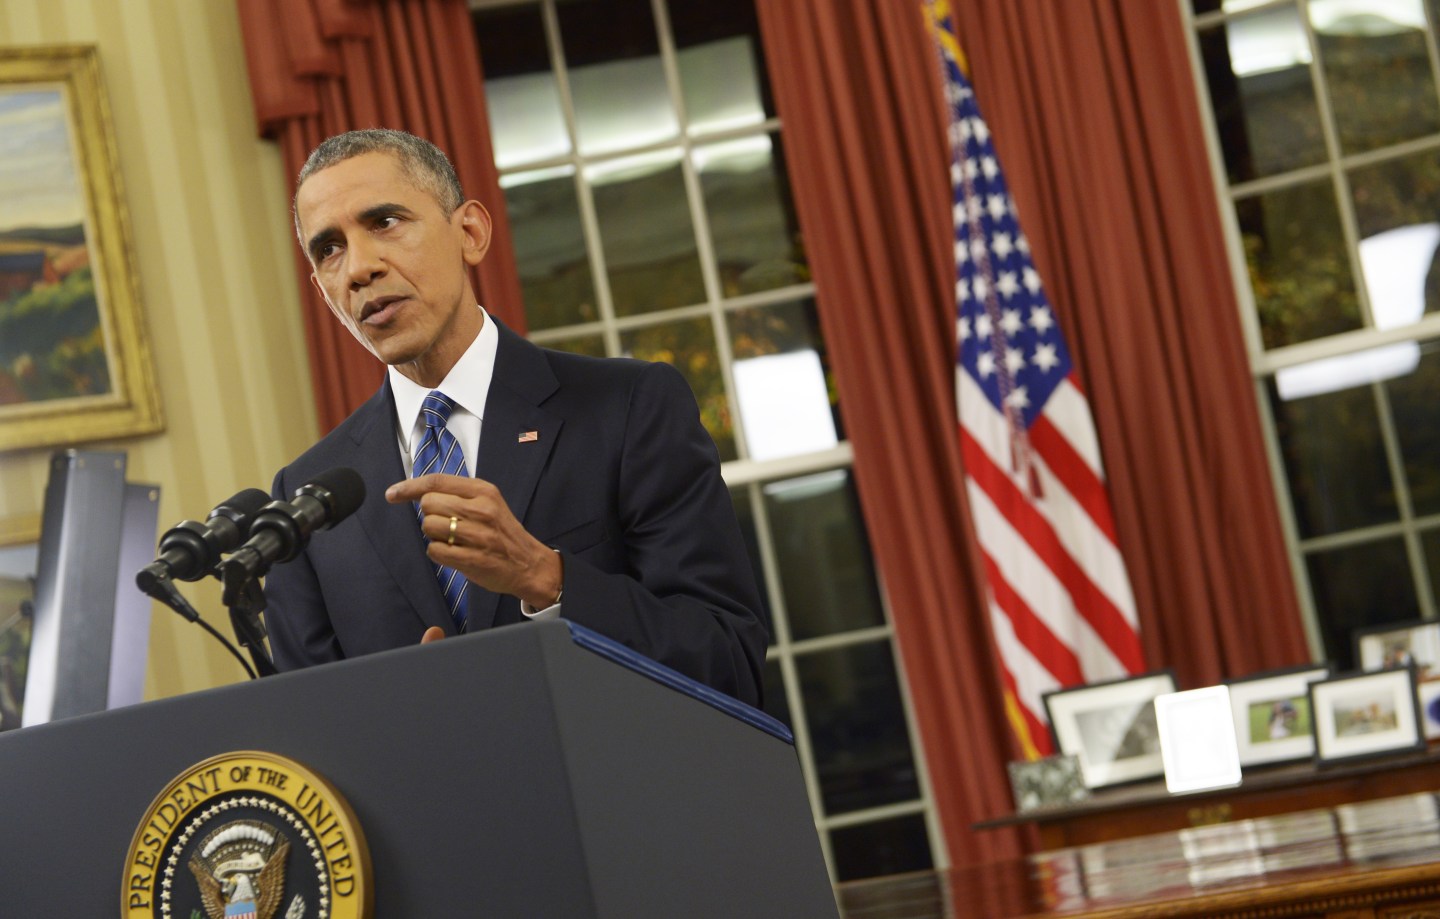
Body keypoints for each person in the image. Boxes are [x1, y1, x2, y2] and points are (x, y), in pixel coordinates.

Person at [261, 129, 768, 706]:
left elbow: (729, 660)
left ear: (470, 233)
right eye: (329, 249)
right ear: (322, 290)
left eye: (385, 222)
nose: (358, 267)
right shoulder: (306, 501)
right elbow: (310, 732)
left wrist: (546, 578)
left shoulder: (628, 408)